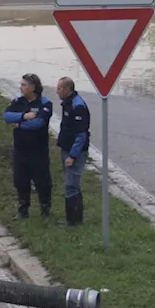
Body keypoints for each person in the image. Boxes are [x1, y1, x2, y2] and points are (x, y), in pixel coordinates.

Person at [3, 73, 55, 219]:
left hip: (38, 150)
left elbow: (38, 123)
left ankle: (45, 210)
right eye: (21, 85)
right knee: (20, 180)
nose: (21, 87)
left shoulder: (44, 104)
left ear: (33, 87)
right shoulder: (18, 102)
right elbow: (6, 116)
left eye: (24, 85)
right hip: (20, 149)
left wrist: (19, 124)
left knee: (42, 181)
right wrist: (23, 117)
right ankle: (22, 211)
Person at [56, 76, 90, 227]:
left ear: (67, 90)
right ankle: (76, 219)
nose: (57, 91)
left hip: (74, 152)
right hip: (67, 149)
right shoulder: (68, 103)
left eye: (59, 89)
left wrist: (72, 156)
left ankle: (72, 222)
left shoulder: (78, 106)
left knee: (71, 185)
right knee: (73, 184)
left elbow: (81, 134)